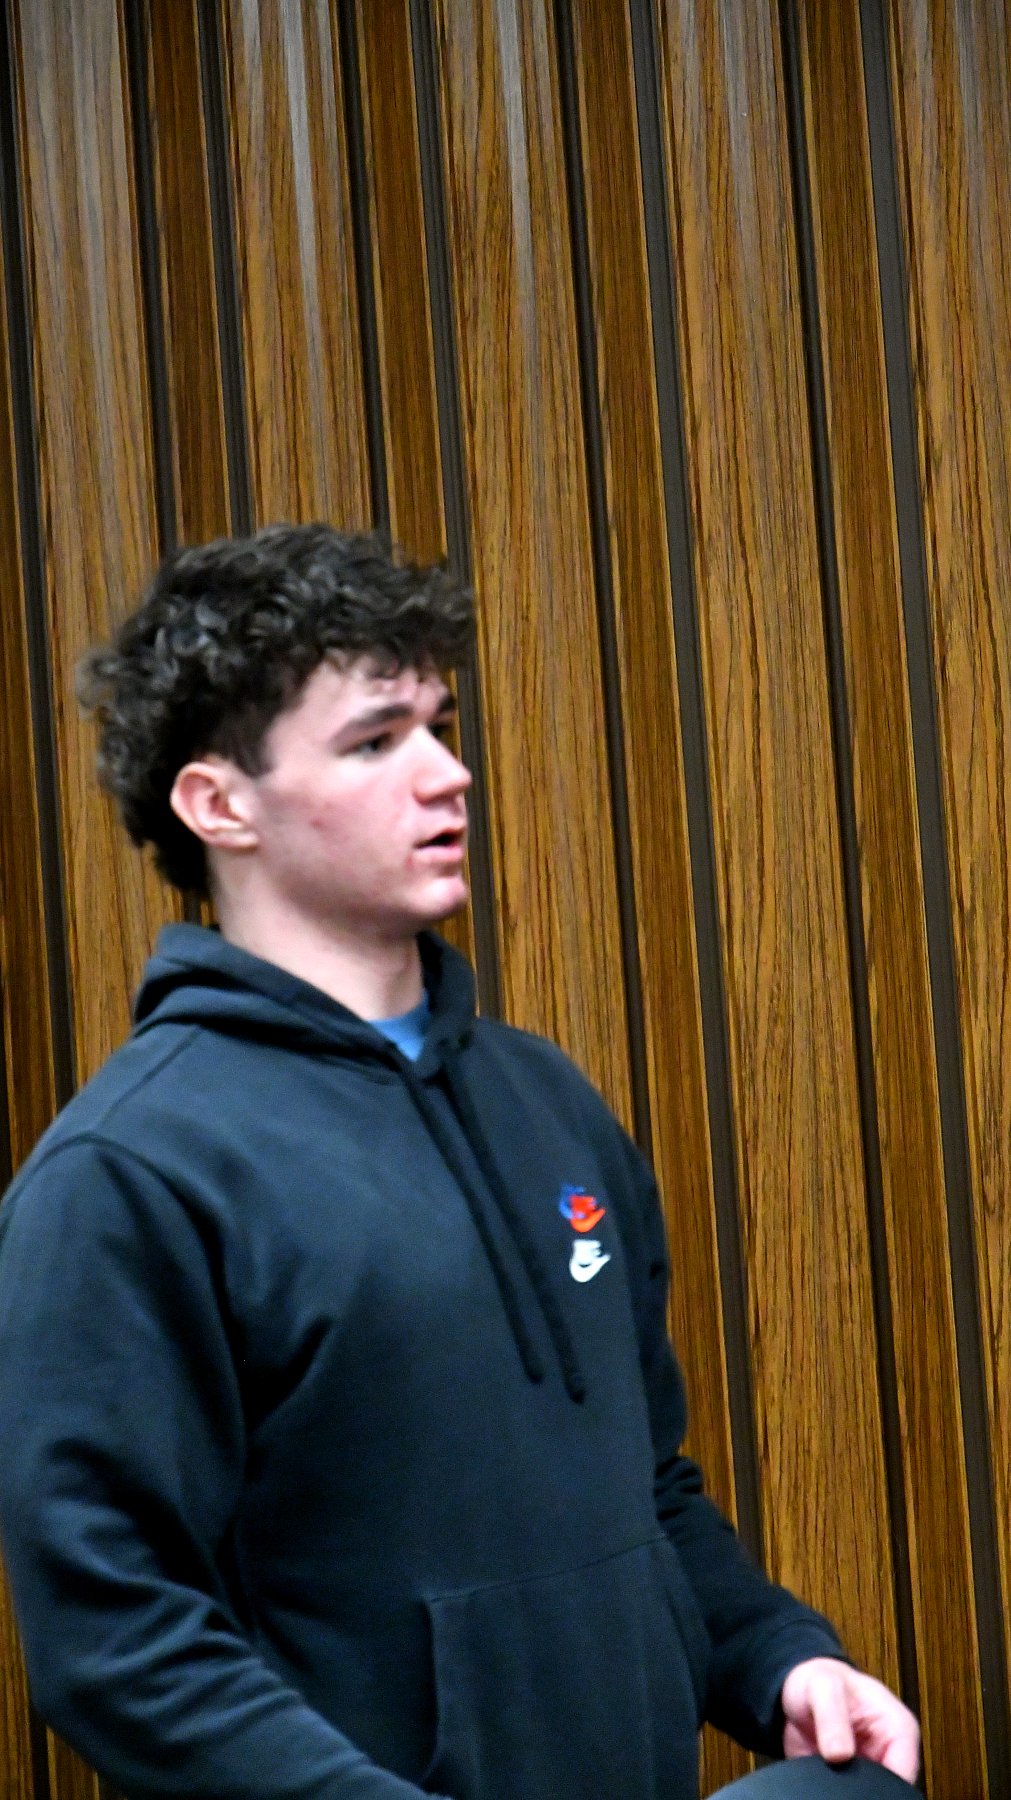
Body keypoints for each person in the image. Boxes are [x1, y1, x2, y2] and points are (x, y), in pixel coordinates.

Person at [0, 526, 918, 1800]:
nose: (449, 773)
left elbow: (642, 1490)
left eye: (439, 726)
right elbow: (117, 1642)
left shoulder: (546, 1100)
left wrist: (779, 1658)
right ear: (220, 805)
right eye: (376, 741)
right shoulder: (127, 1175)